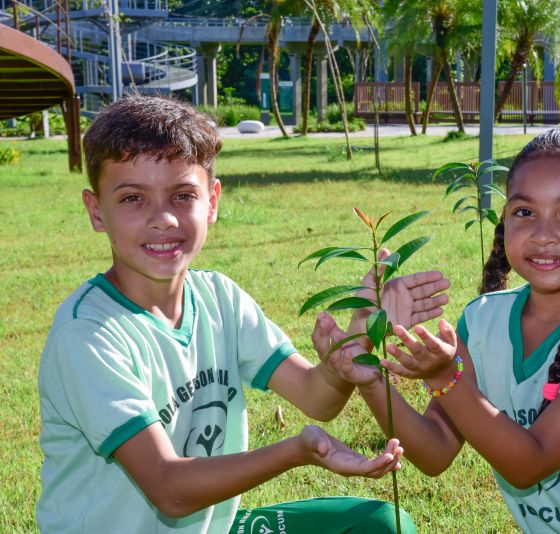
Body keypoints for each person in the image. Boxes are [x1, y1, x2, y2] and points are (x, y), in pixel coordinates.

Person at [37, 95, 449, 534]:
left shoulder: (219, 298)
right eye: (133, 198)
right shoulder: (89, 334)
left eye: (182, 196)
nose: (163, 219)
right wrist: (294, 451)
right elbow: (168, 488)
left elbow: (316, 398)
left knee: (381, 524)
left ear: (211, 201)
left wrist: (353, 346)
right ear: (96, 209)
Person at [321, 129, 560, 532]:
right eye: (524, 212)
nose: (543, 233)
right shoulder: (484, 321)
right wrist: (370, 380)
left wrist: (445, 376)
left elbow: (529, 464)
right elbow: (435, 452)